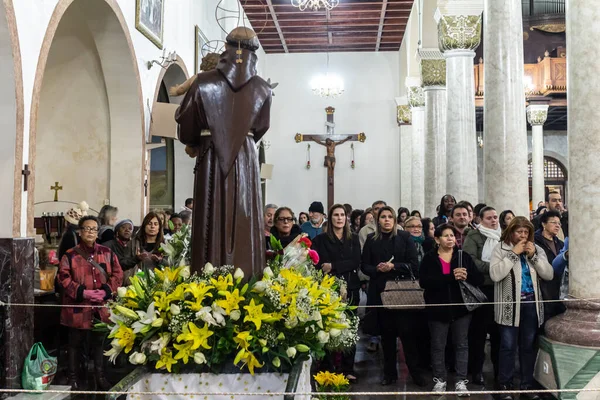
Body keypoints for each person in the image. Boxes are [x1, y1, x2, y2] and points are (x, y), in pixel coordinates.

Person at [175, 27, 271, 277]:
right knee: (244, 216)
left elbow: (186, 124)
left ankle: (206, 283)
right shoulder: (263, 88)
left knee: (211, 218)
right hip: (246, 157)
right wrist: (241, 138)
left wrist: (198, 140)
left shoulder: (202, 82)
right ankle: (248, 279)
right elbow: (261, 126)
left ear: (226, 49)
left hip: (211, 155)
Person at [490, 217, 553, 400]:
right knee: (508, 346)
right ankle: (505, 386)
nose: (523, 236)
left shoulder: (536, 249)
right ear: (511, 231)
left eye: (526, 232)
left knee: (528, 346)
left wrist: (533, 256)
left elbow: (548, 274)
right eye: (519, 232)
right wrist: (513, 254)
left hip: (531, 305)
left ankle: (527, 386)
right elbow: (495, 274)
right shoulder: (500, 248)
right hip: (509, 306)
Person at [361, 206, 425, 387]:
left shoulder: (404, 237)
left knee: (408, 335)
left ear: (395, 220)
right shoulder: (371, 239)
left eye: (390, 217)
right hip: (381, 292)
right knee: (387, 337)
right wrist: (377, 269)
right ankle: (389, 374)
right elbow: (364, 265)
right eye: (383, 217)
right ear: (377, 220)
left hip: (402, 291)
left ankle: (415, 373)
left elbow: (414, 265)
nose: (387, 220)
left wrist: (393, 266)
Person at [57, 216, 123, 390]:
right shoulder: (70, 255)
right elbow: (63, 277)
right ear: (80, 231)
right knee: (75, 344)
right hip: (78, 307)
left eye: (94, 229)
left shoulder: (107, 253)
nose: (90, 232)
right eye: (87, 228)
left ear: (98, 232)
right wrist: (82, 292)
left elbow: (118, 275)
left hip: (101, 308)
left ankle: (100, 377)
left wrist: (106, 291)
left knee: (99, 343)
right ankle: (73, 378)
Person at [419, 224, 484, 396]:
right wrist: (450, 277)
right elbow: (424, 282)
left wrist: (466, 275)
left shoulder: (463, 256)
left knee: (462, 344)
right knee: (438, 346)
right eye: (446, 235)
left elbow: (478, 279)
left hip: (461, 309)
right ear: (437, 239)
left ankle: (461, 382)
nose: (450, 239)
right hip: (437, 309)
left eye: (452, 236)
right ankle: (440, 380)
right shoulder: (429, 258)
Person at [312, 204, 361, 382]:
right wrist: (331, 266)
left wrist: (333, 266)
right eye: (336, 215)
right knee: (328, 327)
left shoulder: (353, 238)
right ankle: (327, 367)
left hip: (351, 288)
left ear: (346, 218)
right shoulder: (321, 240)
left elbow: (356, 261)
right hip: (329, 288)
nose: (339, 218)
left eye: (342, 215)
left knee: (350, 327)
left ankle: (348, 367)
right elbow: (318, 263)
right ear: (330, 218)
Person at [463, 206, 502, 385]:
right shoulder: (474, 236)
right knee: (478, 334)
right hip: (482, 290)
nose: (493, 221)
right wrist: (494, 268)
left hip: (500, 290)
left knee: (498, 334)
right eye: (489, 218)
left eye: (495, 217)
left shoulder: (503, 236)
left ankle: (499, 371)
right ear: (480, 219)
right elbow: (470, 260)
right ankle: (476, 371)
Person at [534, 211, 565, 321]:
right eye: (554, 222)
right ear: (543, 224)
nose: (557, 225)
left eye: (559, 223)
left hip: (558, 287)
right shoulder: (535, 242)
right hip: (542, 287)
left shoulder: (561, 244)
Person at [103, 219, 138, 285]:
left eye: (130, 228)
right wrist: (137, 259)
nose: (127, 230)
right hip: (112, 282)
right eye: (123, 227)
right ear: (117, 231)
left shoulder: (134, 246)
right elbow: (119, 264)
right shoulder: (107, 246)